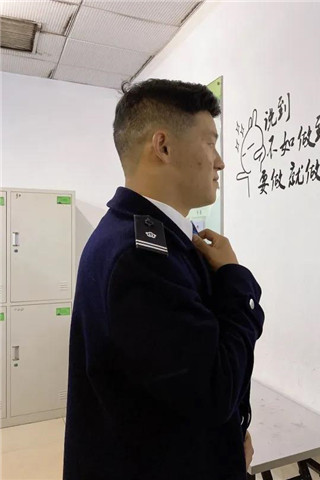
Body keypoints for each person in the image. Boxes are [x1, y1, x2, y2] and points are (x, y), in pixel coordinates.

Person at [63, 79, 264, 480]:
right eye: (210, 143)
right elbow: (213, 390)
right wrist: (235, 280)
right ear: (163, 146)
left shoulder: (138, 235)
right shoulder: (140, 257)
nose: (220, 162)